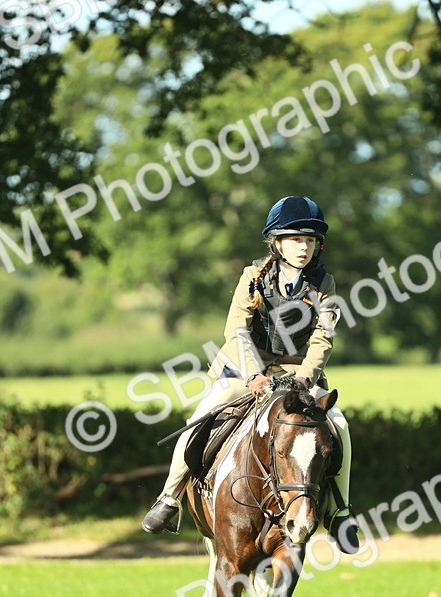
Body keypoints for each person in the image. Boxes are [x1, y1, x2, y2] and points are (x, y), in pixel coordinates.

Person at [140, 195, 359, 553]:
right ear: (277, 242)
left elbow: (323, 336)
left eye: (310, 240)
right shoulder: (252, 277)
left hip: (298, 372)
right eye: (295, 239)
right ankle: (169, 498)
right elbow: (237, 331)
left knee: (340, 425)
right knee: (200, 417)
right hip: (244, 368)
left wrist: (305, 377)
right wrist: (254, 376)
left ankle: (340, 512)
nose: (303, 247)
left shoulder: (325, 283)